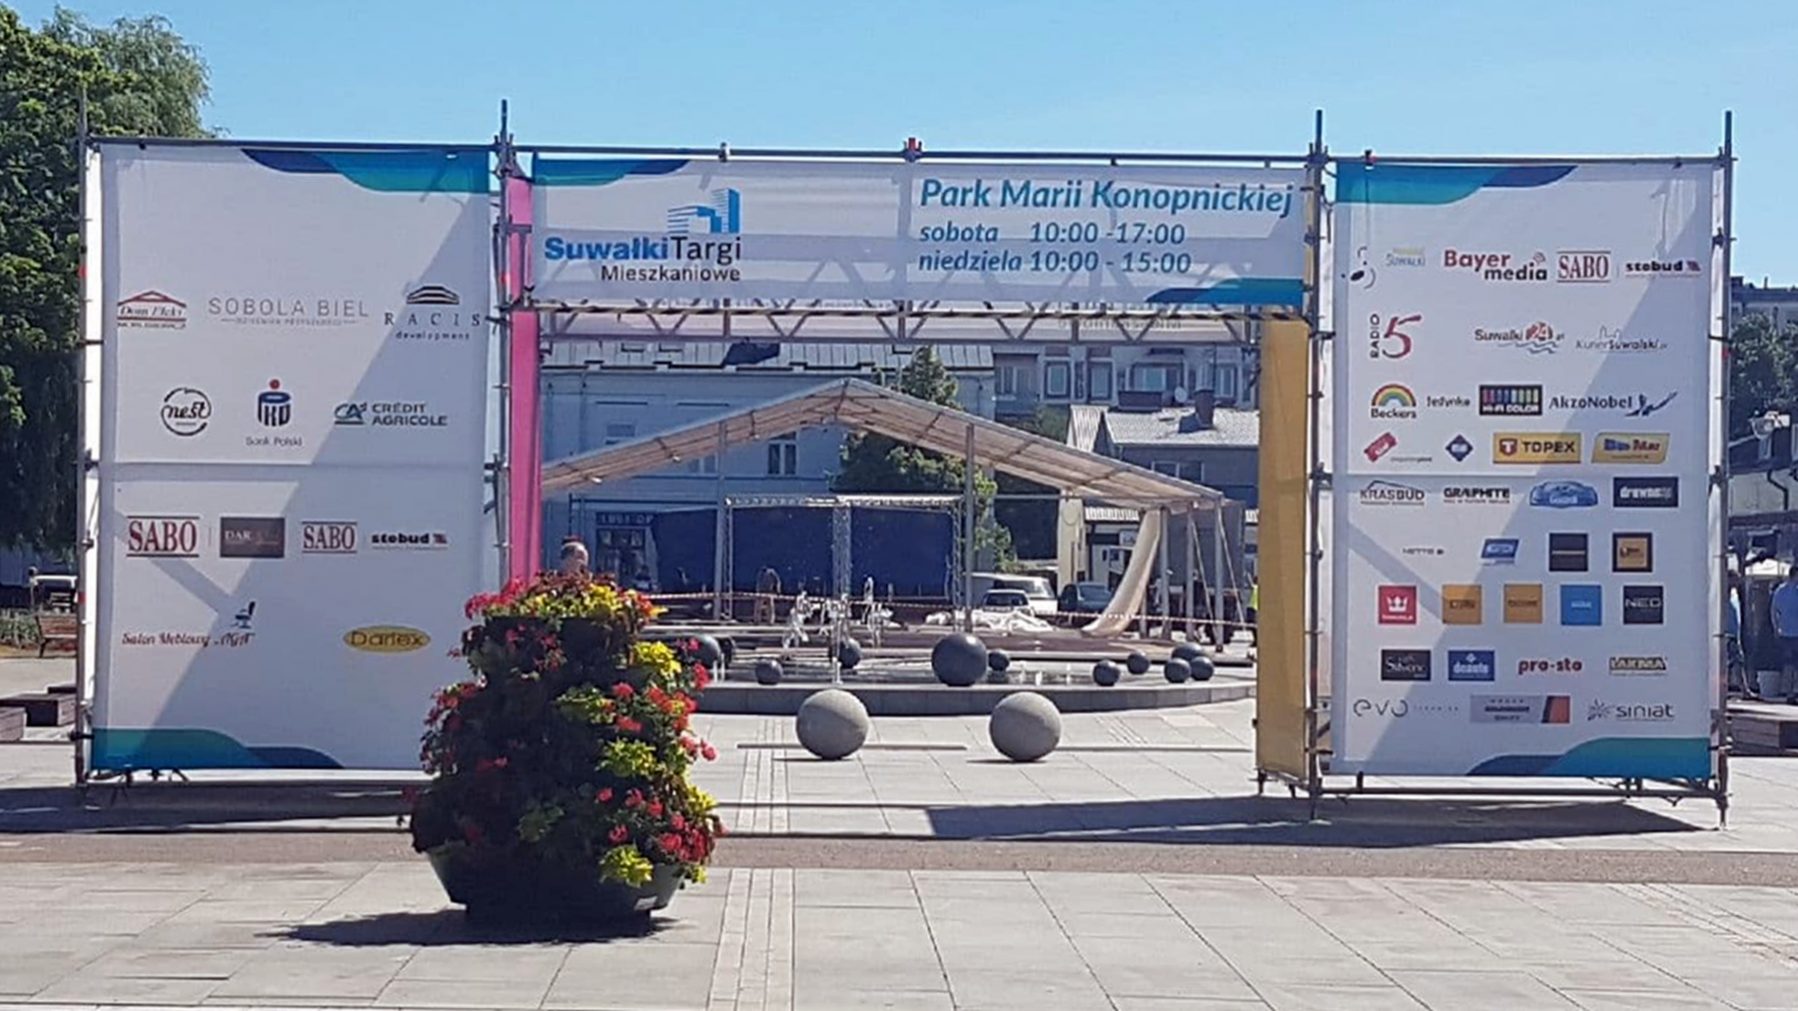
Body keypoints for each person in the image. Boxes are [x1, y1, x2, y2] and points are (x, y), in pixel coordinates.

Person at [1771, 567, 1798, 704]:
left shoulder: (1780, 591)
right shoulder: (1788, 591)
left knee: (1789, 664)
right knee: (1791, 664)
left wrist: (1776, 628)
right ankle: (1792, 691)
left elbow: (1774, 611)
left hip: (1786, 632)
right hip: (1791, 633)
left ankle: (1789, 692)